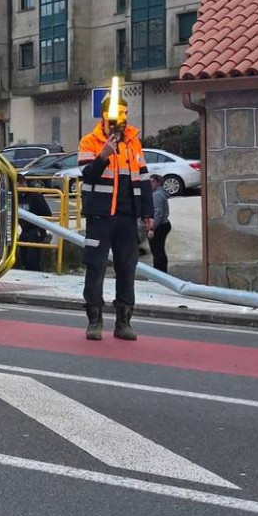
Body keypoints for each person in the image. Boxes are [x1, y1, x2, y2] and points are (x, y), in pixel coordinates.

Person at [78, 93, 153, 341]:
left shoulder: (133, 142)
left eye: (125, 112)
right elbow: (87, 175)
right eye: (118, 112)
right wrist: (104, 154)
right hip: (99, 217)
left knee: (126, 269)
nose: (123, 117)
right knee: (96, 267)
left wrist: (148, 213)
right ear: (105, 115)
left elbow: (142, 179)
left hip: (127, 217)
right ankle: (94, 321)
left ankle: (123, 323)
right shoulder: (90, 141)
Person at [16, 174, 53, 271]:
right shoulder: (17, 196)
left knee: (32, 253)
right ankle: (26, 268)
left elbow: (47, 214)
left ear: (23, 184)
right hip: (25, 229)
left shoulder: (35, 196)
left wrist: (40, 227)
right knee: (22, 253)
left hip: (36, 229)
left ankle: (35, 270)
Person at [148, 174, 172, 274]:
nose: (150, 184)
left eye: (153, 182)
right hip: (164, 224)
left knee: (157, 251)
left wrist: (151, 228)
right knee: (160, 250)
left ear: (158, 183)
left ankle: (158, 273)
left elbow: (158, 213)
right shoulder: (160, 193)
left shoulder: (157, 195)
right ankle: (162, 273)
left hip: (160, 225)